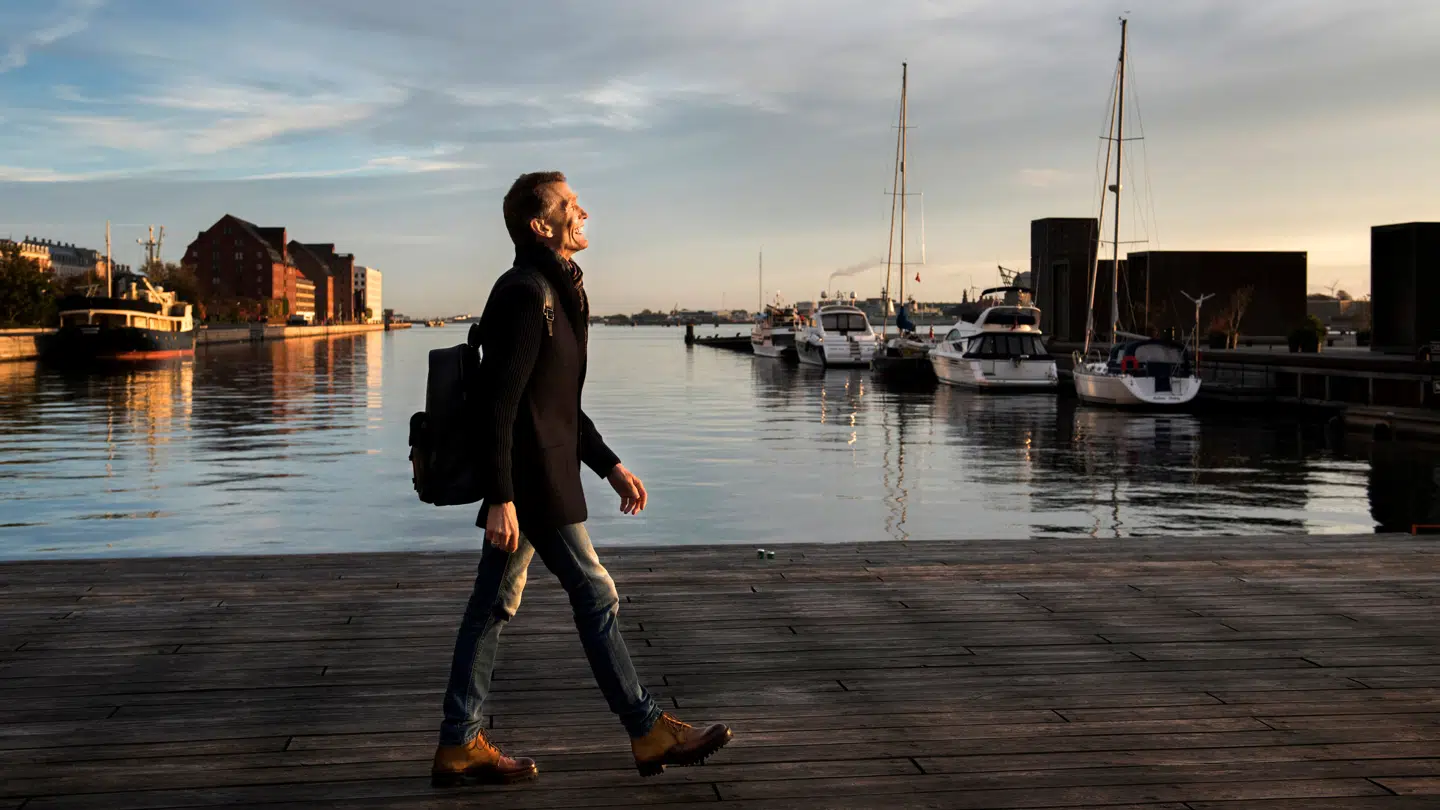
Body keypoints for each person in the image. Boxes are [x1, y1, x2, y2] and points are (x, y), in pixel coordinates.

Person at [432, 172, 732, 787]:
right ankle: (647, 730)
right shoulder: (525, 292)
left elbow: (558, 403)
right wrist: (501, 498)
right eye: (571, 205)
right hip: (533, 484)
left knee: (492, 605)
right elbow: (502, 405)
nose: (584, 211)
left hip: (544, 473)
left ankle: (459, 743)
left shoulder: (556, 289)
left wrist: (610, 464)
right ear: (542, 226)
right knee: (595, 594)